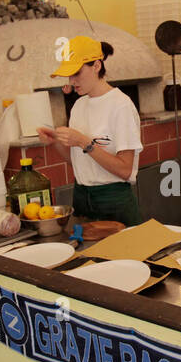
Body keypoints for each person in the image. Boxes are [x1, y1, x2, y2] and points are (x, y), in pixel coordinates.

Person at [38, 35, 144, 225]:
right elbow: (78, 161)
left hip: (113, 201)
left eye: (77, 73)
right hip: (81, 198)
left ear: (96, 66)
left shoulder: (121, 105)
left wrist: (84, 142)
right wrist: (55, 141)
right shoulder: (79, 106)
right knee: (85, 253)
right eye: (69, 75)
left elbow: (125, 170)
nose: (72, 81)